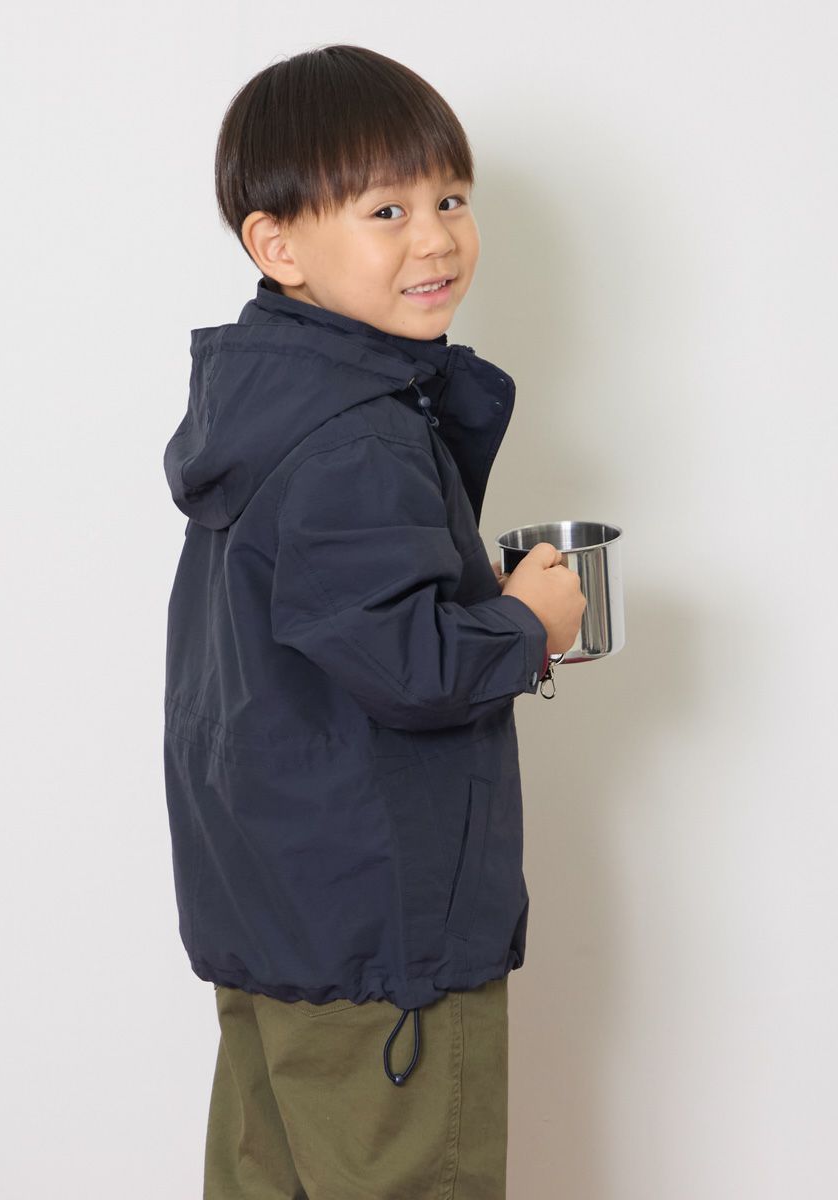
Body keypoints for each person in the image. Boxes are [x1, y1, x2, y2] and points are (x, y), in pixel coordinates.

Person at [162, 43, 586, 1200]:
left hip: (275, 912)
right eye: (387, 209)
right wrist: (529, 623)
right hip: (381, 937)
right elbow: (411, 668)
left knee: (270, 1178)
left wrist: (469, 590)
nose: (436, 238)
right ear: (278, 246)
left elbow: (328, 625)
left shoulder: (270, 410)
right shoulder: (358, 433)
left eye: (450, 198)